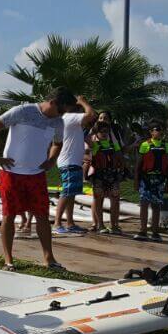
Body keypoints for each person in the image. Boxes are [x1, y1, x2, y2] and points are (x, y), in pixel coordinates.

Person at [0, 87, 73, 271]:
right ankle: (8, 260)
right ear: (53, 102)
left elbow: (58, 143)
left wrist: (51, 160)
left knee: (42, 215)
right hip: (11, 174)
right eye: (62, 110)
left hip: (36, 175)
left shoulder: (58, 122)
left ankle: (49, 258)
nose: (62, 115)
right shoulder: (23, 111)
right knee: (9, 216)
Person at [54, 96, 98, 234]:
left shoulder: (74, 123)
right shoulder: (69, 117)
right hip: (68, 162)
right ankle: (57, 223)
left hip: (74, 162)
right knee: (67, 192)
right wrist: (83, 102)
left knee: (71, 193)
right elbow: (92, 115)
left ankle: (70, 223)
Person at [86, 121, 127, 234]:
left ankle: (114, 225)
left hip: (113, 175)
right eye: (101, 131)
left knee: (115, 200)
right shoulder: (94, 144)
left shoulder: (113, 144)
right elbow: (85, 138)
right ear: (97, 132)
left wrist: (122, 170)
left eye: (107, 131)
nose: (104, 133)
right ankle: (100, 225)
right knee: (98, 199)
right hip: (98, 176)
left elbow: (120, 157)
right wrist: (93, 131)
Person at [135, 121, 168, 241]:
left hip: (159, 180)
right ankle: (143, 230)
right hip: (146, 179)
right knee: (144, 205)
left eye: (161, 129)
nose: (159, 131)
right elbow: (138, 165)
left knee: (156, 206)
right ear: (151, 132)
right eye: (157, 129)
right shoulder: (144, 145)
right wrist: (136, 180)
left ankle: (155, 232)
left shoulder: (166, 145)